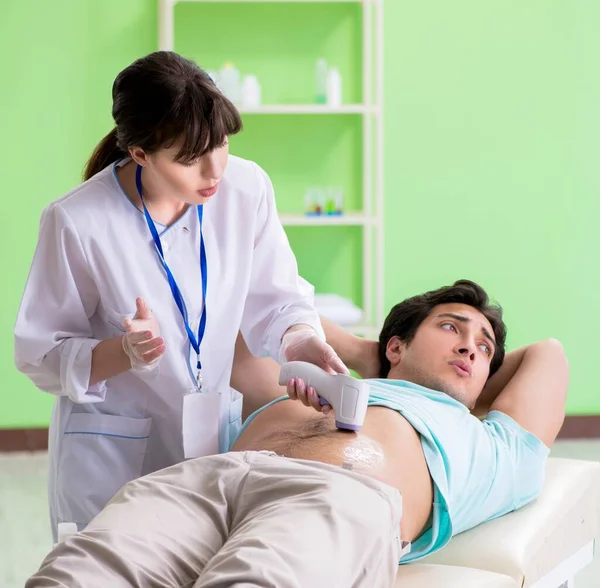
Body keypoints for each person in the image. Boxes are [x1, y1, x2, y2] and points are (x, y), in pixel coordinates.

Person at [26, 280, 568, 588]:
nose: (472, 346)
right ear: (396, 346)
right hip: (207, 482)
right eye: (450, 326)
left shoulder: (490, 443)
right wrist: (364, 355)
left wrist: (463, 375)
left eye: (486, 347)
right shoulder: (309, 385)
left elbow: (548, 354)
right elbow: (237, 308)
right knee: (74, 576)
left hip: (339, 497)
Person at [13, 50, 353, 540]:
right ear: (140, 155)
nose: (214, 171)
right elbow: (39, 354)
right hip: (111, 462)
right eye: (191, 159)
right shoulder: (77, 221)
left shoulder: (246, 189)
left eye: (221, 145)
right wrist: (121, 352)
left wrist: (299, 340)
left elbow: (278, 297)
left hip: (211, 442)